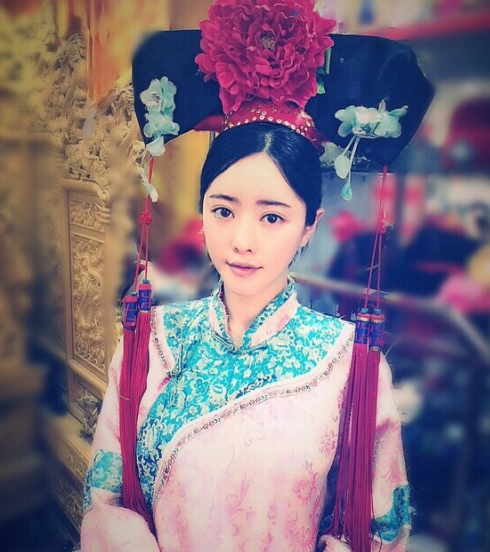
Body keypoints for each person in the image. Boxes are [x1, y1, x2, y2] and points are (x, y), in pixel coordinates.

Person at [81, 1, 434, 551]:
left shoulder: (348, 364)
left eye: (272, 217)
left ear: (309, 227)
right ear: (202, 213)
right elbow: (105, 500)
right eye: (223, 210)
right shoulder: (151, 342)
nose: (242, 240)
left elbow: (377, 529)